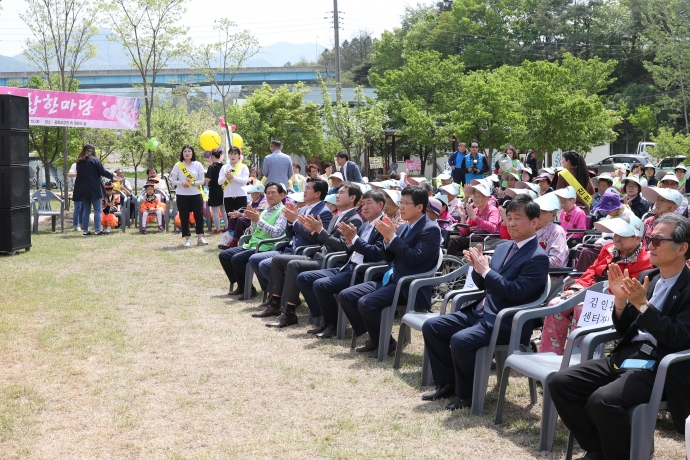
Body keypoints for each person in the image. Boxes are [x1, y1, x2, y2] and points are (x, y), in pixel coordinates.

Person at [549, 213, 690, 460]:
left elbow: (679, 338)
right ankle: (600, 449)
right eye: (649, 239)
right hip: (630, 355)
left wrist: (643, 306)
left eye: (658, 241)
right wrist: (621, 301)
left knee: (601, 401)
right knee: (560, 383)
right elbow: (626, 330)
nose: (650, 246)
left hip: (660, 365)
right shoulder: (651, 277)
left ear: (682, 248)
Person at [421, 194, 549, 409]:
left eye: (518, 218)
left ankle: (467, 394)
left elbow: (516, 293)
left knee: (461, 340)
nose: (511, 223)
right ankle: (448, 383)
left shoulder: (537, 257)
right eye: (509, 218)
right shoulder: (503, 247)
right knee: (433, 326)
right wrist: (478, 269)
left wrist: (486, 271)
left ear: (534, 223)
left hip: (506, 320)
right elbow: (485, 285)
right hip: (482, 311)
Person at [338, 186, 442, 357]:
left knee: (367, 303)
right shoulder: (402, 228)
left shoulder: (430, 229)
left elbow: (415, 258)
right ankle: (375, 337)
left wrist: (392, 238)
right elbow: (388, 257)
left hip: (408, 285)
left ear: (419, 207)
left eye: (405, 203)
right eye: (401, 202)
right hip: (391, 279)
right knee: (347, 295)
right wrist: (387, 239)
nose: (400, 207)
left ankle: (387, 344)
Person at [538, 215, 651, 355]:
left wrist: (588, 293)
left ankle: (577, 357)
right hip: (590, 291)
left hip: (616, 302)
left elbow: (630, 291)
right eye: (616, 233)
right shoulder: (609, 248)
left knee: (583, 307)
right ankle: (549, 354)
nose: (617, 237)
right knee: (555, 304)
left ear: (638, 238)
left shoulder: (646, 261)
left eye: (623, 234)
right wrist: (577, 287)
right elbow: (592, 270)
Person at [260, 182, 364, 328]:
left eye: (341, 193)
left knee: (294, 265)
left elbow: (341, 247)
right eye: (337, 192)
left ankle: (289, 314)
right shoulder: (337, 216)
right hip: (319, 255)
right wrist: (295, 223)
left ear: (352, 197)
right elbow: (318, 239)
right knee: (278, 260)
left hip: (332, 262)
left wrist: (319, 230)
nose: (337, 196)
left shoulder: (354, 220)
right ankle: (276, 304)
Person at [296, 190, 387, 338]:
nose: (364, 208)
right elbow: (348, 249)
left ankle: (335, 324)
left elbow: (377, 254)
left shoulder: (384, 226)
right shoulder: (365, 226)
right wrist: (350, 242)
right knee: (304, 278)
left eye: (368, 204)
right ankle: (326, 320)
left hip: (361, 271)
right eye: (362, 204)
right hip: (347, 266)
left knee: (321, 285)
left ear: (380, 205)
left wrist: (354, 240)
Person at [248, 178, 333, 309]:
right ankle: (279, 294)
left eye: (308, 188)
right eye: (305, 188)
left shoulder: (324, 212)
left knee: (267, 263)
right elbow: (290, 234)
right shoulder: (303, 208)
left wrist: (295, 222)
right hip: (290, 248)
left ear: (318, 193)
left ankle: (281, 299)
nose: (304, 191)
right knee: (255, 259)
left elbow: (318, 239)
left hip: (304, 252)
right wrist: (290, 221)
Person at [219, 182, 288, 296]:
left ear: (282, 195)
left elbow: (276, 232)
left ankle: (248, 289)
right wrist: (253, 219)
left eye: (273, 193)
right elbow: (253, 231)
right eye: (267, 193)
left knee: (237, 259)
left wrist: (259, 220)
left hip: (265, 246)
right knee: (224, 255)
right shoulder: (265, 209)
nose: (270, 195)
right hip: (252, 244)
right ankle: (243, 285)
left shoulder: (283, 211)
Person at [447, 183, 501, 256]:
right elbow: (463, 233)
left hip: (484, 239)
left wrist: (475, 218)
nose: (475, 199)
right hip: (471, 238)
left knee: (453, 240)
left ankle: (448, 266)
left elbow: (493, 228)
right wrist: (463, 217)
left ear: (487, 198)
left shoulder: (493, 210)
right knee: (449, 238)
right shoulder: (475, 210)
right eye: (474, 196)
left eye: (479, 197)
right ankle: (448, 265)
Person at [170, 144, 208, 247]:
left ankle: (200, 237)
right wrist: (181, 183)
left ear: (192, 153)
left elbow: (202, 180)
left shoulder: (198, 165)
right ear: (182, 153)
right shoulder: (178, 165)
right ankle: (187, 239)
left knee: (198, 216)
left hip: (196, 194)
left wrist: (192, 183)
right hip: (182, 194)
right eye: (185, 151)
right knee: (184, 216)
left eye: (189, 151)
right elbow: (172, 180)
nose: (187, 153)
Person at [73, 144, 114, 236]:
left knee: (86, 211)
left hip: (83, 189)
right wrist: (113, 175)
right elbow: (103, 172)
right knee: (97, 210)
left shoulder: (79, 162)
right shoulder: (95, 160)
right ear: (93, 151)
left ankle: (85, 231)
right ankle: (97, 230)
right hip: (94, 189)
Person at [220, 183, 268, 249]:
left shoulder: (264, 201)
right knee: (233, 218)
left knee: (241, 220)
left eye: (252, 193)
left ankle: (234, 242)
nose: (251, 195)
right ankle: (230, 239)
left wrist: (241, 214)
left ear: (258, 194)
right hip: (250, 218)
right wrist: (237, 213)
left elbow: (257, 214)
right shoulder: (254, 200)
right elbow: (248, 211)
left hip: (256, 221)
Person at [534, 193, 568, 269]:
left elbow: (556, 261)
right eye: (535, 210)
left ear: (553, 215)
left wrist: (531, 262)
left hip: (549, 276)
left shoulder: (557, 231)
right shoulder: (529, 228)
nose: (536, 214)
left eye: (541, 211)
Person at [205, 148, 226, 234]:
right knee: (223, 210)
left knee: (215, 211)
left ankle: (217, 229)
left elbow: (207, 179)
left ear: (213, 157)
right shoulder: (224, 166)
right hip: (223, 190)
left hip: (214, 190)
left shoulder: (212, 166)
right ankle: (227, 227)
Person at [67, 161, 82, 231]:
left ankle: (82, 224)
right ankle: (76, 225)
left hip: (86, 189)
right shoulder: (75, 165)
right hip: (78, 188)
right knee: (78, 208)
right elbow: (69, 174)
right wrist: (79, 174)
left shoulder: (88, 165)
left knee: (84, 208)